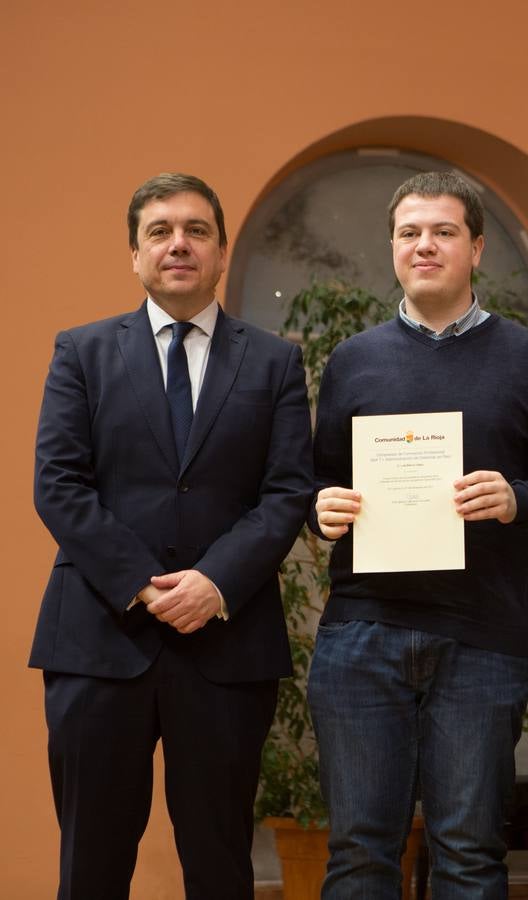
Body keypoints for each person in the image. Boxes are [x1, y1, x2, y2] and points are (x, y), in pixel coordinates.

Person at [30, 173, 314, 899]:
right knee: (90, 865)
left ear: (221, 253)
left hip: (226, 643)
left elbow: (286, 492)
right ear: (135, 254)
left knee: (221, 866)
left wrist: (214, 583)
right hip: (99, 640)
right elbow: (59, 484)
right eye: (160, 231)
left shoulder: (275, 362)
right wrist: (142, 584)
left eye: (196, 230)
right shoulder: (82, 352)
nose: (178, 244)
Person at [307, 170, 528, 899]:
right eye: (408, 233)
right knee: (360, 855)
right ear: (393, 249)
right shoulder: (353, 362)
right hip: (362, 635)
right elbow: (313, 481)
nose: (423, 245)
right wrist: (321, 506)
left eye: (443, 231)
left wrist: (515, 498)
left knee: (469, 855)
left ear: (477, 247)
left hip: (482, 641)